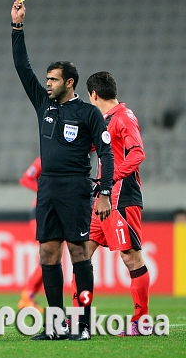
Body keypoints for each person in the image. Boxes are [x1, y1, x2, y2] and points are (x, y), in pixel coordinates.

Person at [11, 0, 114, 341]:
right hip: (48, 187)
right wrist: (17, 27)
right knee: (47, 252)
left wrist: (102, 192)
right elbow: (22, 68)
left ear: (70, 82)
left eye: (54, 79)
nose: (48, 83)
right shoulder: (44, 105)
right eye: (47, 79)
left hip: (75, 187)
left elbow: (106, 153)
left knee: (78, 251)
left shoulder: (89, 114)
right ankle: (55, 326)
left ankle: (82, 324)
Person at [71, 71, 150, 337]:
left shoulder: (124, 118)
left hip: (122, 198)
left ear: (93, 94)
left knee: (131, 258)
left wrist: (111, 175)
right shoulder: (105, 120)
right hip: (101, 201)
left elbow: (138, 152)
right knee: (81, 255)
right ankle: (78, 320)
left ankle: (142, 322)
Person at [17, 156, 44, 312]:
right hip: (41, 209)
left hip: (56, 208)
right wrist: (45, 190)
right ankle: (28, 295)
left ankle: (29, 295)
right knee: (46, 254)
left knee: (52, 255)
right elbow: (26, 179)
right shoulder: (43, 159)